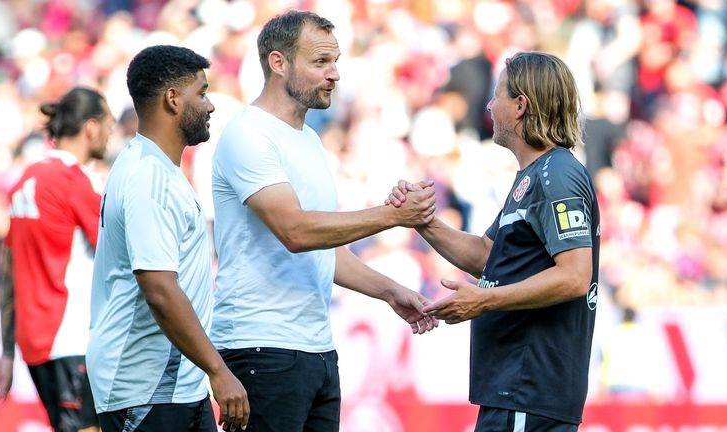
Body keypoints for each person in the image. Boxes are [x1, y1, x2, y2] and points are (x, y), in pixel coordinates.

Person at [211, 10, 438, 432]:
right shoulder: (249, 134)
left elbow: (325, 251)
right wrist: (393, 216)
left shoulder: (310, 139)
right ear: (278, 63)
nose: (334, 74)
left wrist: (391, 291)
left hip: (316, 349)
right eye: (320, 62)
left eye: (335, 61)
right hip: (260, 346)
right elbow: (295, 231)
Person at [389, 52, 601, 431]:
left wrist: (483, 300)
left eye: (497, 94)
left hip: (529, 388)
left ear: (520, 106)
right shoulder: (535, 176)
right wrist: (420, 219)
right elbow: (487, 254)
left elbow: (575, 276)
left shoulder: (557, 175)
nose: (488, 105)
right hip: (512, 389)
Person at [87, 45, 248, 432]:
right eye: (202, 93)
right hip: (145, 387)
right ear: (173, 99)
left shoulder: (154, 167)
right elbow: (158, 288)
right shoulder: (149, 177)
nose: (210, 105)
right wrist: (218, 370)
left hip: (175, 386)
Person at [0, 87, 113, 432]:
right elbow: (120, 258)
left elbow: (10, 271)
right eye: (108, 125)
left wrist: (8, 351)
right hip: (74, 338)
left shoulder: (26, 180)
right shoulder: (76, 181)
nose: (110, 134)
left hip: (36, 344)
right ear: (91, 128)